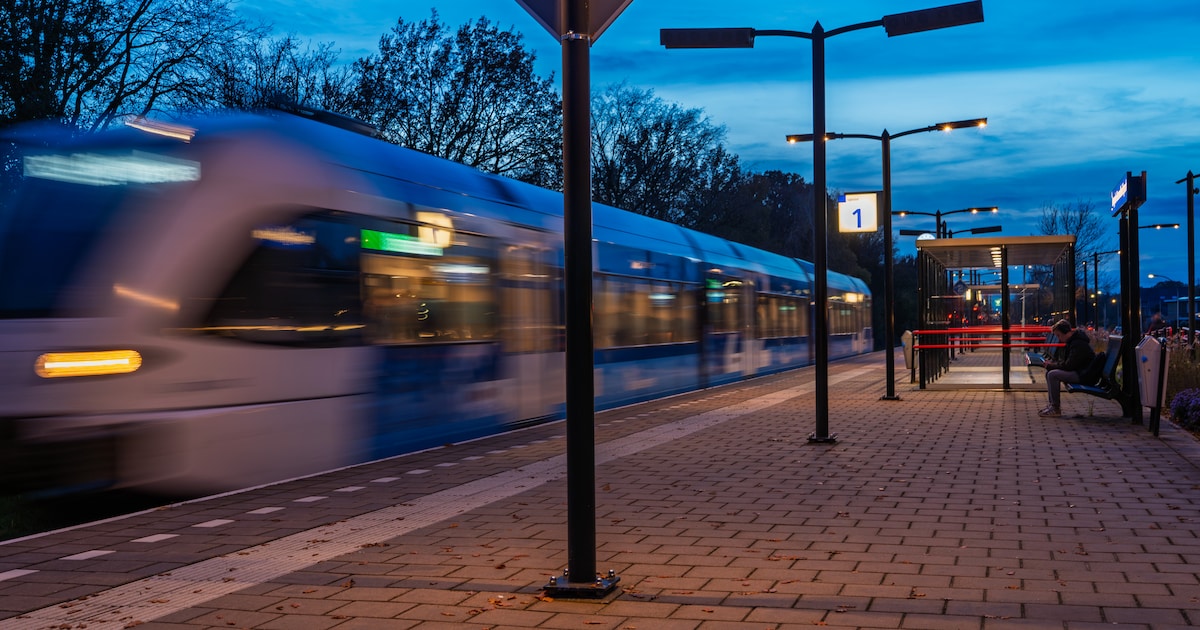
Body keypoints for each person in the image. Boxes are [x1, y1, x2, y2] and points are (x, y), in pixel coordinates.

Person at [1039, 319, 1095, 417]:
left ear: (1066, 332)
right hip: (1080, 371)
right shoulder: (1074, 342)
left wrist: (1051, 365)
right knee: (1050, 372)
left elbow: (1069, 366)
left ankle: (1055, 408)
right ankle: (1053, 405)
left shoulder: (1078, 344)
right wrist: (1053, 364)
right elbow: (1068, 363)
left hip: (1083, 374)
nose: (1059, 338)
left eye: (1059, 335)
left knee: (1052, 374)